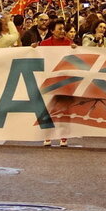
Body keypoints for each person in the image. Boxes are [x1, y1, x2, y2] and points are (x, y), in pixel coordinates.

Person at [34, 19, 76, 147]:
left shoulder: (70, 43)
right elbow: (37, 57)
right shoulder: (44, 44)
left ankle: (63, 136)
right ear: (52, 31)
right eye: (59, 29)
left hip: (65, 81)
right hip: (49, 81)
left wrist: (75, 49)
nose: (62, 31)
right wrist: (33, 49)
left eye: (63, 29)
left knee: (64, 109)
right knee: (48, 108)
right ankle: (47, 135)